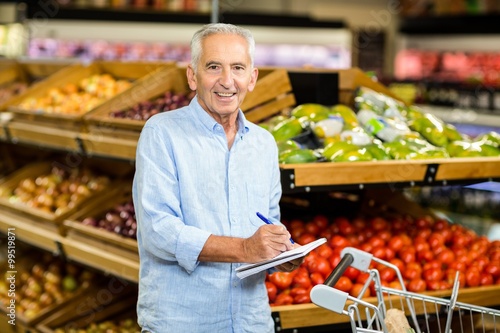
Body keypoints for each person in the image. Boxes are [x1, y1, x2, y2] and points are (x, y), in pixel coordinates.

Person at [132, 23, 302, 333]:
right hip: (182, 323)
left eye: (238, 67)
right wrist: (245, 249)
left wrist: (281, 253)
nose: (227, 81)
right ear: (192, 76)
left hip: (251, 322)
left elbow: (270, 223)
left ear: (252, 78)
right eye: (213, 67)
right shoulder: (162, 133)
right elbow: (159, 230)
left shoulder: (263, 143)